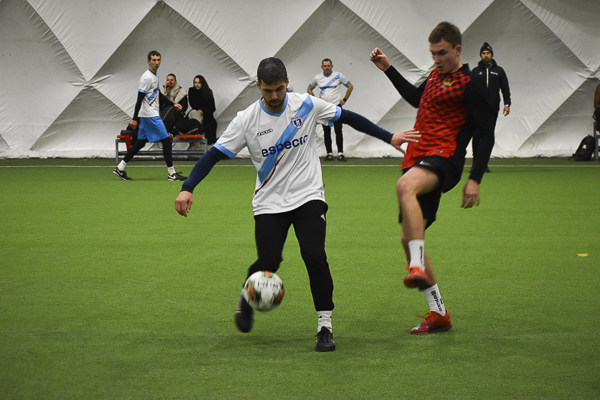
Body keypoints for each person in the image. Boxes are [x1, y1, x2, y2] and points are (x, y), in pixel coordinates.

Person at [175, 57, 419, 351]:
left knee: (314, 255)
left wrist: (389, 136)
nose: (274, 96)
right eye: (268, 91)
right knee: (269, 262)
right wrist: (187, 188)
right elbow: (213, 154)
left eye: (279, 89)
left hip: (308, 196)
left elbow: (347, 117)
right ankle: (248, 295)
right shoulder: (246, 120)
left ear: (287, 82)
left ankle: (325, 326)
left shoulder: (306, 105)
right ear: (258, 86)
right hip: (269, 202)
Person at [370, 22, 496, 335]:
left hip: (444, 157)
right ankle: (439, 313)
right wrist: (388, 69)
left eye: (441, 53)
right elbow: (417, 98)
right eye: (432, 53)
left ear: (457, 50)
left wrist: (474, 178)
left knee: (405, 186)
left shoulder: (471, 84)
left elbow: (486, 133)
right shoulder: (435, 76)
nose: (436, 59)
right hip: (419, 156)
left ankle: (415, 265)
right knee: (408, 238)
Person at [113, 50, 187, 181]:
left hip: (147, 115)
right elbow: (139, 99)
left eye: (158, 60)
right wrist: (134, 119)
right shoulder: (147, 78)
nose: (156, 62)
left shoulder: (154, 76)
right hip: (150, 116)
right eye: (154, 60)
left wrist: (173, 104)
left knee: (140, 143)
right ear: (148, 61)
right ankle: (172, 173)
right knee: (166, 140)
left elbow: (158, 95)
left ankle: (120, 168)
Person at [470, 42, 511, 172]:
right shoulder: (475, 72)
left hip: (492, 109)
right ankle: (476, 162)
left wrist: (507, 104)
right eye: (483, 53)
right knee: (477, 134)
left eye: (488, 53)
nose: (486, 55)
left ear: (491, 55)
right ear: (481, 55)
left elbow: (505, 88)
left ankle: (483, 163)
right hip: (478, 109)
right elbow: (469, 90)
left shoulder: (499, 71)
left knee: (488, 136)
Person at [307, 59, 354, 161]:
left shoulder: (338, 76)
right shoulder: (317, 78)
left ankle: (340, 153)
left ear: (332, 66)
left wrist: (344, 100)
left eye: (328, 66)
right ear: (322, 67)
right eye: (325, 66)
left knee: (338, 130)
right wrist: (316, 100)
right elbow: (309, 89)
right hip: (324, 108)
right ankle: (329, 153)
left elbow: (350, 86)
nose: (327, 68)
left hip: (336, 107)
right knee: (326, 131)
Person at [188, 75, 218, 145]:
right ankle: (196, 138)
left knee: (211, 122)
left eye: (199, 82)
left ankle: (207, 143)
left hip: (206, 114)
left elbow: (212, 107)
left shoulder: (208, 92)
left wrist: (203, 111)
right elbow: (193, 104)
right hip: (196, 112)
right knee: (195, 114)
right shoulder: (192, 91)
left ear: (202, 83)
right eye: (195, 82)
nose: (197, 84)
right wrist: (200, 110)